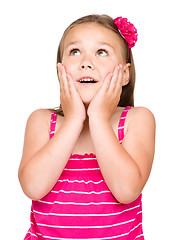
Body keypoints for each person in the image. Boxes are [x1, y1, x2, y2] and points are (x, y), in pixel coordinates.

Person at [18, 14, 156, 240]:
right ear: (60, 69)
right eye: (75, 51)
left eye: (101, 52)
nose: (86, 62)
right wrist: (73, 120)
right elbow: (33, 187)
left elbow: (127, 190)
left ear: (124, 74)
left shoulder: (137, 119)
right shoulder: (42, 121)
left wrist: (99, 119)